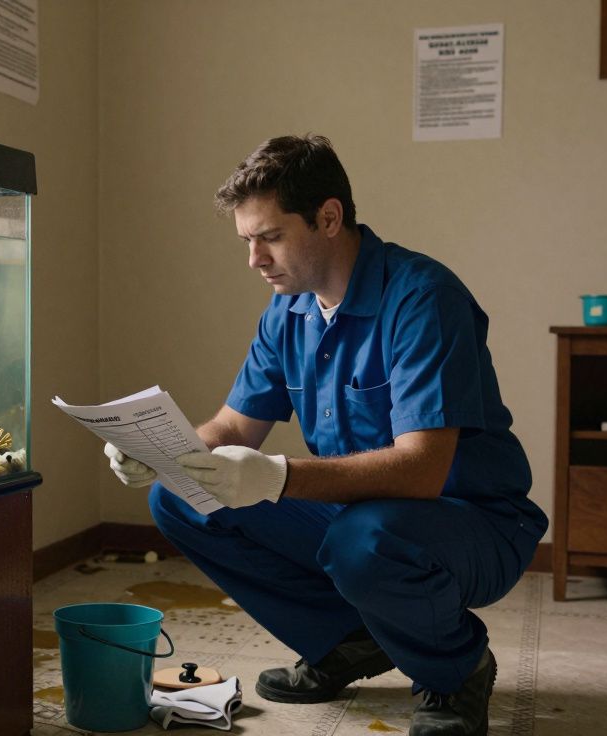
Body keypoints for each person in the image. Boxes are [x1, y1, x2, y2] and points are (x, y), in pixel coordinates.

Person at [105, 135, 546, 736]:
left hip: (473, 520)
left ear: (329, 217)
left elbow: (420, 471)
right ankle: (351, 640)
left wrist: (278, 478)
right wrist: (159, 453)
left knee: (361, 541)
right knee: (180, 497)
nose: (254, 258)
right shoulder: (287, 311)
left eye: (271, 236)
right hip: (358, 516)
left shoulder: (423, 298)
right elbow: (234, 426)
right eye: (246, 241)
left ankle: (457, 667)